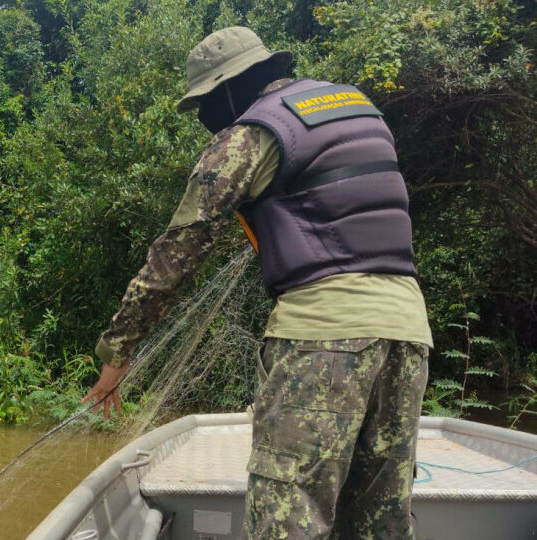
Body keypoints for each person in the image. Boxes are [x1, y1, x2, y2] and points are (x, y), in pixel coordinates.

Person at [81, 26, 433, 539]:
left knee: (287, 518)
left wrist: (117, 351)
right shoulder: (358, 109)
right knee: (379, 522)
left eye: (205, 101)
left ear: (228, 86)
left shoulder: (248, 136)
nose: (205, 116)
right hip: (408, 337)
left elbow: (176, 251)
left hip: (323, 339)